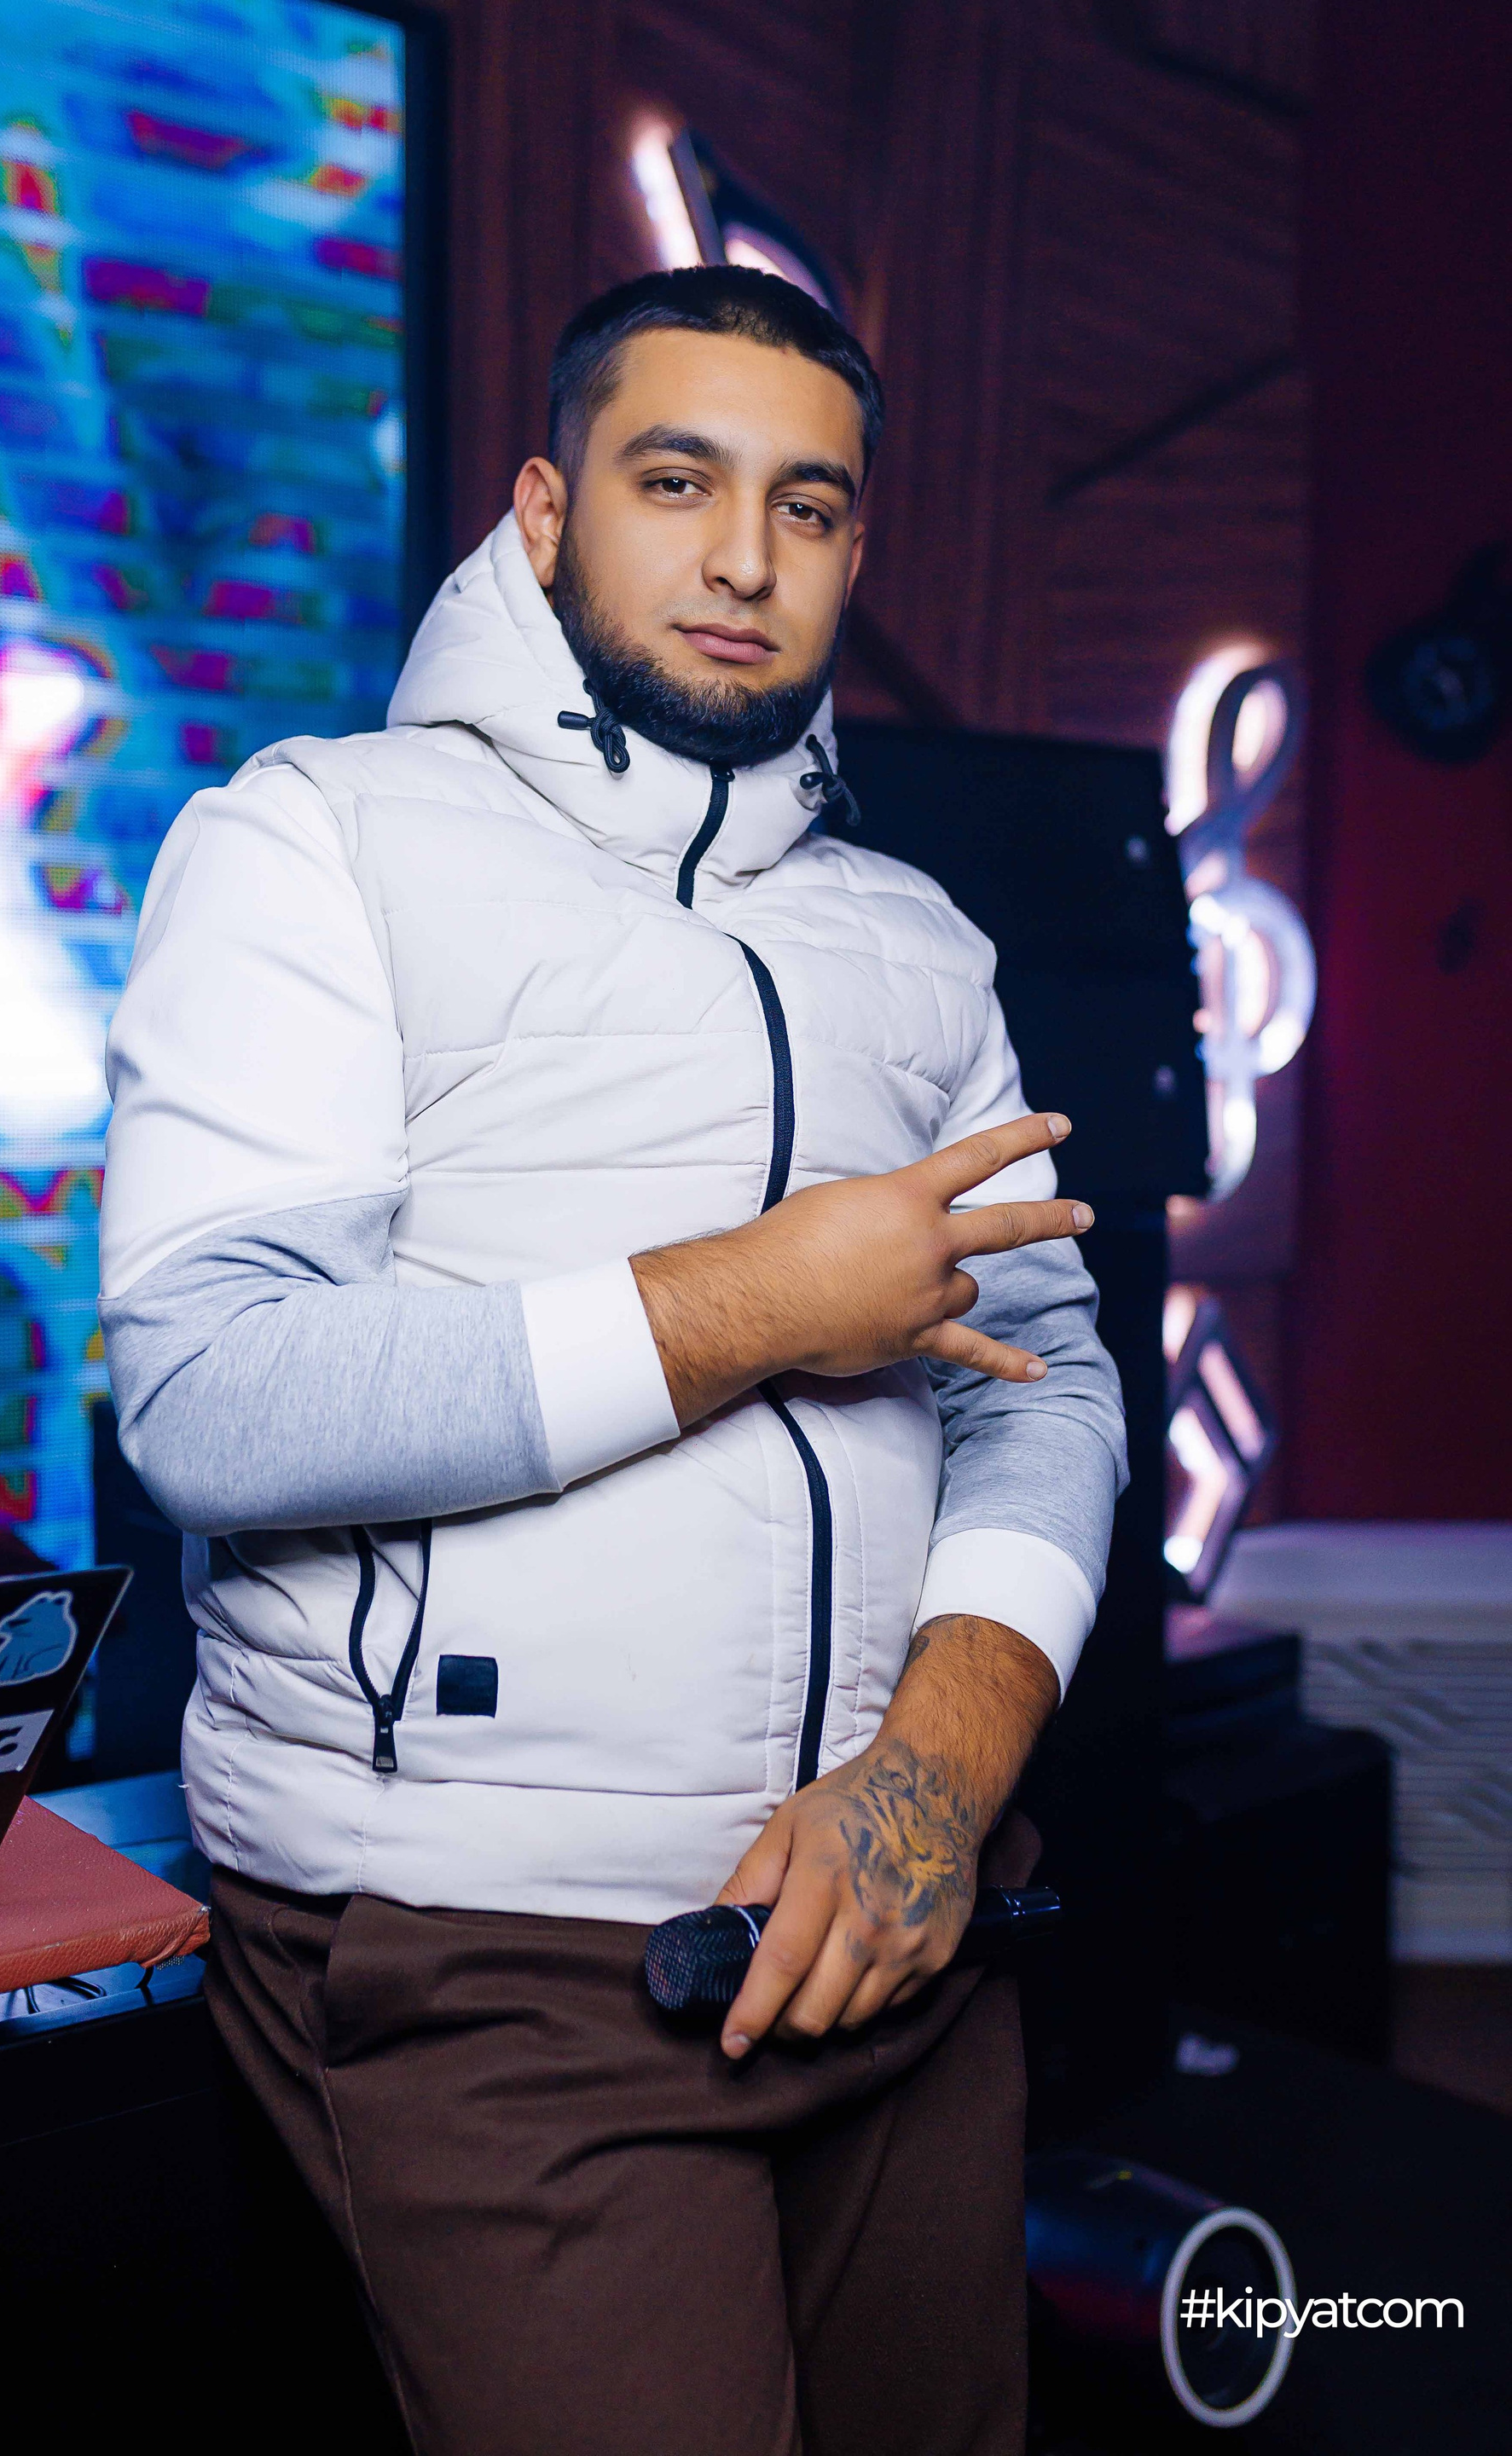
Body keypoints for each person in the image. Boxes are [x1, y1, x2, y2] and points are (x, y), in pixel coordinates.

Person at [101, 267, 1127, 2455]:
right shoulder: (316, 835)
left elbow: (1048, 1387)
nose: (745, 559)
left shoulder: (917, 944)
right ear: (548, 512)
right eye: (679, 483)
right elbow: (211, 1394)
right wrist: (753, 1300)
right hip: (492, 1953)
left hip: (891, 1915)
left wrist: (937, 1781)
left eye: (807, 508)